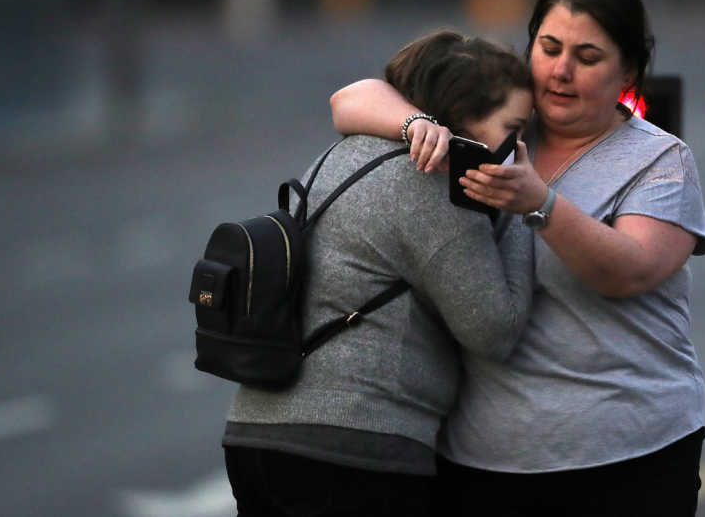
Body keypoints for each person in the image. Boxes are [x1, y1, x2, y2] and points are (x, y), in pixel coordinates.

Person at [329, 0, 705, 516]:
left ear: (628, 70)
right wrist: (416, 123)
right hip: (482, 462)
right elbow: (352, 99)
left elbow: (630, 271)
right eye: (549, 47)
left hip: (629, 454)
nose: (561, 70)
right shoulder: (496, 124)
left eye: (588, 57)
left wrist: (541, 203)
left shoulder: (660, 159)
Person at [222, 30, 536, 517]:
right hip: (352, 451)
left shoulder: (341, 154)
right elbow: (495, 329)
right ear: (464, 118)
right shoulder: (430, 188)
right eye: (512, 129)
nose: (517, 148)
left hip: (256, 432)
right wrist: (520, 208)